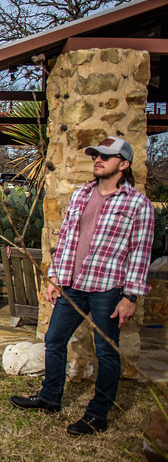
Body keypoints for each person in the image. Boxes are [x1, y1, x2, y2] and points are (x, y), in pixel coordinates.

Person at [11, 136, 154, 436]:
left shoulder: (137, 204)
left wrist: (131, 296)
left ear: (124, 164)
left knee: (106, 352)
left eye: (106, 156)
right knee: (54, 338)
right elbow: (65, 241)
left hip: (108, 288)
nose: (98, 160)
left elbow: (140, 253)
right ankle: (50, 398)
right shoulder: (81, 195)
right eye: (96, 155)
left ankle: (97, 415)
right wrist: (56, 279)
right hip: (73, 285)